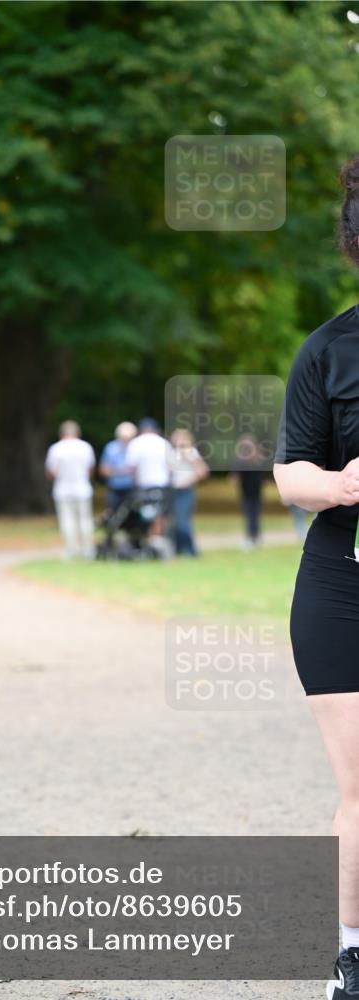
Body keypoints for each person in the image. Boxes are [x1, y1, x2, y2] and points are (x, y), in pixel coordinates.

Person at [273, 153, 359, 1000]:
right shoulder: (328, 349)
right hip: (343, 587)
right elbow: (288, 473)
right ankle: (352, 958)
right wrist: (338, 484)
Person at [45, 420, 95, 559]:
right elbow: (90, 469)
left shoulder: (56, 449)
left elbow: (51, 472)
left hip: (63, 490)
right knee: (85, 521)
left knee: (67, 521)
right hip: (82, 489)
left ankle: (70, 550)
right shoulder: (85, 447)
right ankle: (87, 550)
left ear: (61, 434)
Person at [125, 418, 173, 553]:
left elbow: (131, 467)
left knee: (143, 515)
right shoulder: (163, 443)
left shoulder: (136, 443)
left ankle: (147, 543)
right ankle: (158, 542)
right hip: (161, 485)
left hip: (143, 485)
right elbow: (171, 467)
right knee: (160, 515)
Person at [169, 428, 209, 556]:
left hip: (185, 491)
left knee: (183, 520)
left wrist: (189, 481)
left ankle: (190, 550)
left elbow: (202, 471)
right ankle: (178, 548)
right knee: (174, 520)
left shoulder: (191, 452)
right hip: (173, 490)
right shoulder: (171, 453)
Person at [232, 433, 264, 550]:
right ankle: (253, 537)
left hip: (254, 492)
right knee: (252, 515)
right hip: (247, 492)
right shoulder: (244, 461)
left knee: (252, 515)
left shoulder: (255, 460)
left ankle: (252, 538)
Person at [99, 422, 137, 512]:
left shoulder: (137, 448)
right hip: (115, 488)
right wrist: (125, 471)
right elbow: (103, 470)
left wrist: (115, 471)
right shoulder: (111, 448)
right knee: (112, 513)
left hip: (133, 488)